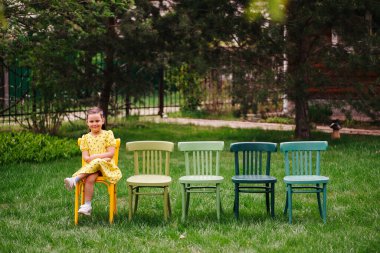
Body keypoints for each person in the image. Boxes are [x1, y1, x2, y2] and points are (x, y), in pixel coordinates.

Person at [64, 107, 122, 216]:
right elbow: (86, 157)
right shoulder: (85, 138)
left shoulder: (108, 134)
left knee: (99, 161)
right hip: (92, 169)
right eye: (91, 121)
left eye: (97, 121)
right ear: (87, 123)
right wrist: (97, 159)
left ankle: (75, 179)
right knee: (89, 179)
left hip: (106, 166)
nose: (94, 124)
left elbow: (110, 154)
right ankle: (87, 205)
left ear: (103, 121)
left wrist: (96, 157)